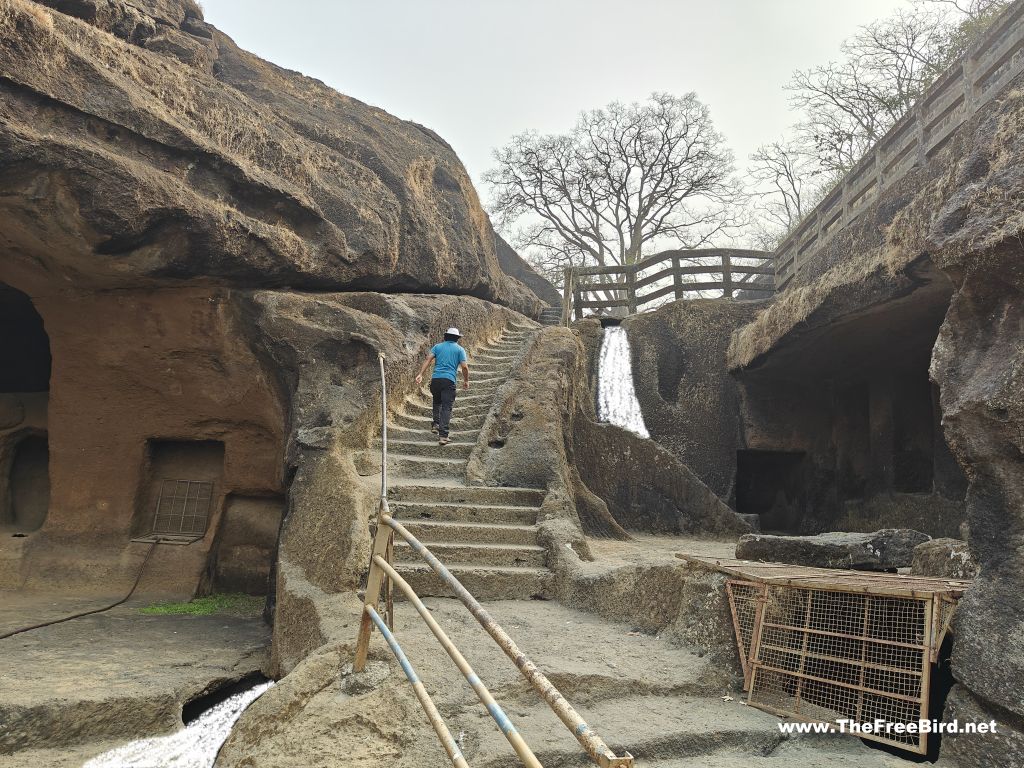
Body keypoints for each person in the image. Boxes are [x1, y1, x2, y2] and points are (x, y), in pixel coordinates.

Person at [415, 327, 469, 445]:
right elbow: (464, 367)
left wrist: (420, 374)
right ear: (457, 338)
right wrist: (466, 381)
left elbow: (428, 359)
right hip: (448, 381)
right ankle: (443, 436)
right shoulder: (460, 350)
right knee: (446, 407)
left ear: (445, 336)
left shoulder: (437, 347)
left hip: (435, 380)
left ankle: (436, 424)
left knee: (437, 401)